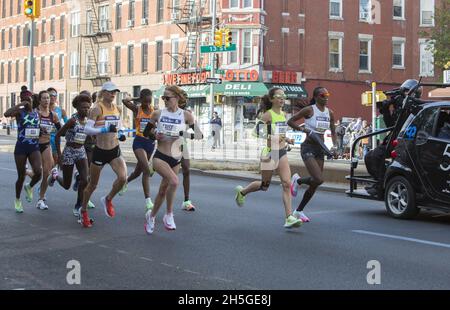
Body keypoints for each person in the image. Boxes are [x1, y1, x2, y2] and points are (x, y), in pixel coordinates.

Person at [234, 88, 302, 229]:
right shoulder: (268, 115)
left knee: (286, 183)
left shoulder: (283, 114)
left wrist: (287, 139)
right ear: (272, 99)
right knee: (264, 186)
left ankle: (289, 217)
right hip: (270, 153)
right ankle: (242, 192)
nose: (282, 99)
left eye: (284, 96)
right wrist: (272, 137)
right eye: (279, 96)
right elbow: (256, 132)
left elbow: (281, 133)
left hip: (281, 152)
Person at [143, 85, 198, 234]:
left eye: (167, 98)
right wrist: (155, 135)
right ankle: (169, 214)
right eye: (163, 98)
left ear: (177, 98)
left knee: (162, 190)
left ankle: (151, 216)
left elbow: (198, 135)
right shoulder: (157, 114)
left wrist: (181, 134)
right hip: (160, 156)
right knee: (174, 181)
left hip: (176, 158)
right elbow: (146, 132)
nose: (165, 101)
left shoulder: (186, 115)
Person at [288, 87, 337, 223]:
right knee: (318, 179)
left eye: (328, 95)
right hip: (308, 146)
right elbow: (290, 121)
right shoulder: (310, 110)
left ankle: (298, 210)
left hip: (320, 148)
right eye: (323, 95)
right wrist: (303, 129)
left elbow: (333, 132)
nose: (326, 97)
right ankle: (297, 181)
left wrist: (335, 147)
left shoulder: (330, 113)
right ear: (316, 97)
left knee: (315, 183)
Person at [81, 82, 126, 227]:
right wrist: (104, 129)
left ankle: (108, 199)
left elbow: (119, 126)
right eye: (110, 92)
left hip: (114, 149)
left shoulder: (117, 108)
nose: (113, 94)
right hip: (100, 150)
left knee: (123, 178)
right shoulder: (96, 108)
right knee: (92, 185)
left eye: (115, 92)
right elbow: (87, 130)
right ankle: (83, 211)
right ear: (104, 92)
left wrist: (121, 133)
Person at [52, 94, 92, 225]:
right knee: (67, 185)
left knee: (85, 179)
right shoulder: (72, 121)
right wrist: (59, 155)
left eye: (88, 107)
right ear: (77, 108)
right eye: (83, 107)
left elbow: (91, 136)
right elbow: (58, 136)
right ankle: (55, 176)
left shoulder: (88, 121)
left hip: (81, 151)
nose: (86, 110)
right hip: (69, 151)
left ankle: (78, 205)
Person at [118, 89, 156, 211]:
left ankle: (125, 182)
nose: (147, 104)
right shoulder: (137, 109)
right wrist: (136, 99)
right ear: (141, 100)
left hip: (150, 143)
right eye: (145, 101)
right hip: (139, 142)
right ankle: (148, 202)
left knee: (138, 172)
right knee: (146, 169)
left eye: (149, 101)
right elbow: (124, 100)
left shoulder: (155, 111)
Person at [4, 96, 42, 213]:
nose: (28, 101)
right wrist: (19, 105)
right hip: (21, 147)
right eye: (25, 99)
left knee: (38, 172)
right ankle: (17, 199)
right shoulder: (20, 112)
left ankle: (29, 186)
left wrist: (41, 131)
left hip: (34, 147)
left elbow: (37, 127)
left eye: (29, 99)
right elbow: (6, 113)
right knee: (21, 176)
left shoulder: (37, 113)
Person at [35, 91, 61, 210]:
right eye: (44, 98)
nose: (47, 100)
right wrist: (38, 131)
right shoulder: (35, 113)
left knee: (46, 173)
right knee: (38, 173)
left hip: (46, 144)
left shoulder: (53, 115)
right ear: (39, 100)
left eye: (48, 98)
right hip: (34, 145)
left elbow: (61, 129)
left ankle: (41, 199)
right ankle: (28, 179)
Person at [47, 87, 68, 167]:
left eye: (54, 95)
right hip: (44, 139)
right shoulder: (41, 110)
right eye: (50, 95)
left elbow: (68, 124)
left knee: (54, 163)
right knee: (46, 164)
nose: (52, 97)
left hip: (55, 139)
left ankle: (50, 177)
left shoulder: (61, 111)